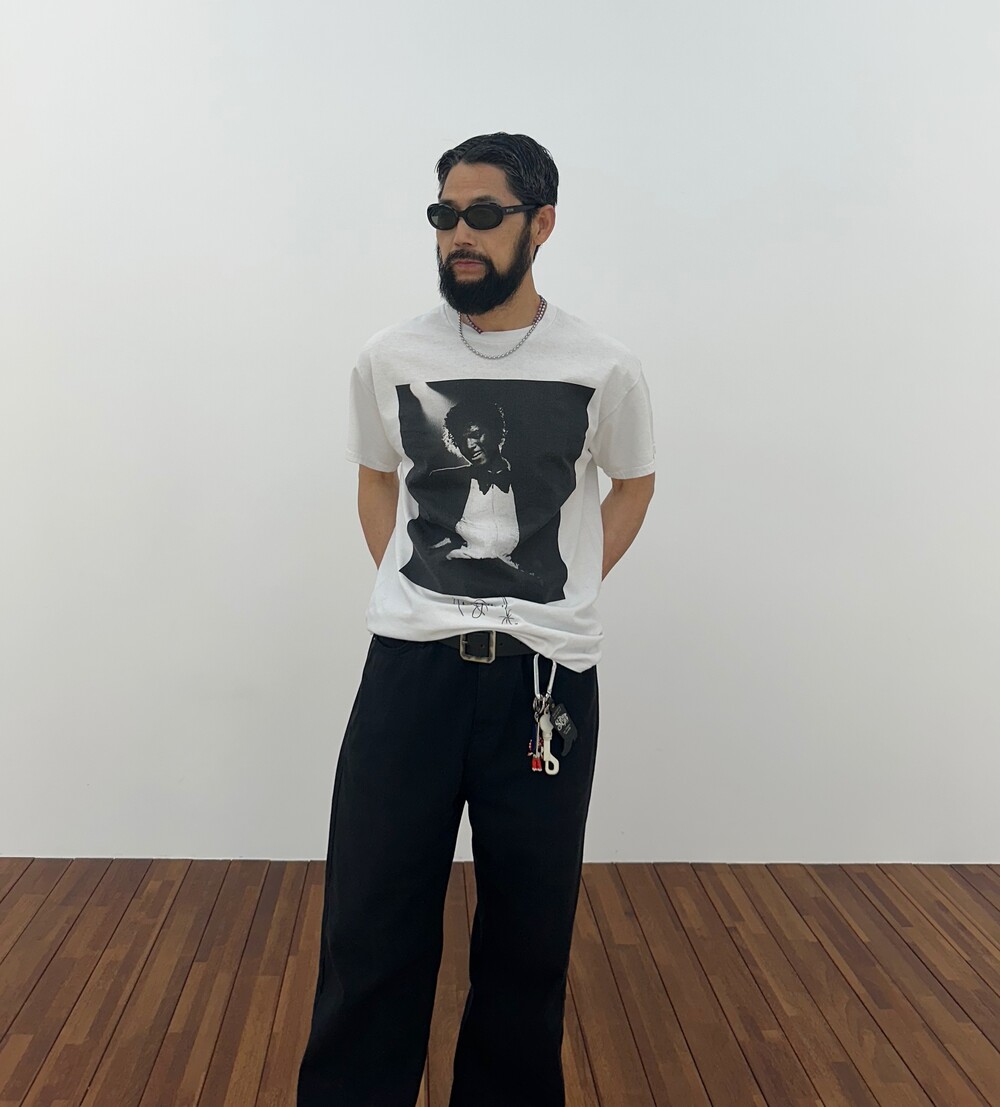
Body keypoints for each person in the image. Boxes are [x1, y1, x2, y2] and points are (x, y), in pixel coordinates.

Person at [296, 131, 656, 1107]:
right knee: (370, 927)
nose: (460, 234)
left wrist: (574, 582)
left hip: (545, 680)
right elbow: (377, 477)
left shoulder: (604, 366)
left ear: (541, 224)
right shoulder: (390, 357)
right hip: (409, 673)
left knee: (528, 942)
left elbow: (633, 482)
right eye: (444, 214)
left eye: (484, 215)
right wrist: (415, 586)